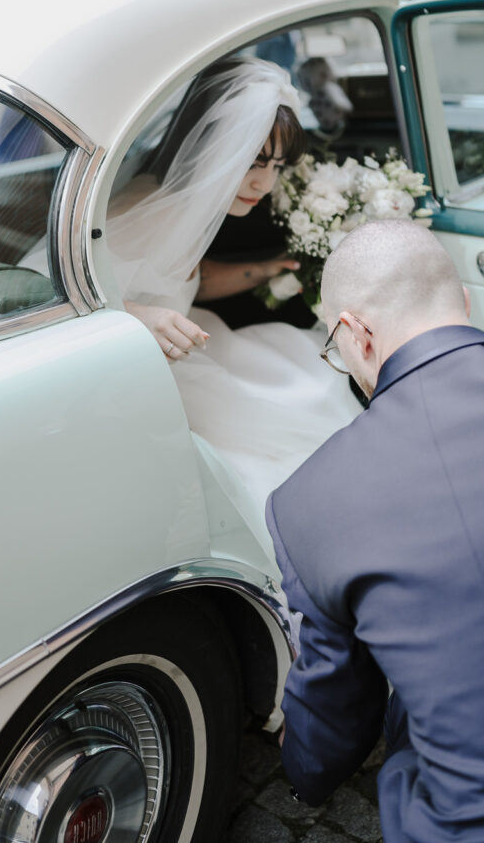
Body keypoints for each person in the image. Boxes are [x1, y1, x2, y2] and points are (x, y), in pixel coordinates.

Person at [265, 219, 484, 842]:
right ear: (464, 302)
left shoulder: (307, 500)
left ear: (356, 333)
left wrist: (306, 776)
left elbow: (338, 702)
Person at [107, 56, 362, 556]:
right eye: (253, 162)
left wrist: (265, 270)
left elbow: (188, 280)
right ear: (212, 146)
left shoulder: (184, 203)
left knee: (302, 361)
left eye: (276, 167)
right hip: (152, 374)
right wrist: (137, 316)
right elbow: (44, 291)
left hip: (195, 343)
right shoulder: (150, 210)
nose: (265, 185)